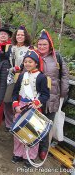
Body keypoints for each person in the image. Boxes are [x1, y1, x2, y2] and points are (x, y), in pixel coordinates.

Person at [11, 49, 50, 167]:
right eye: (26, 62)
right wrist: (15, 105)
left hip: (34, 108)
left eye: (30, 62)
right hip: (21, 106)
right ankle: (18, 153)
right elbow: (15, 92)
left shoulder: (42, 77)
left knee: (32, 133)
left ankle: (30, 157)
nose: (27, 64)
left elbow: (45, 94)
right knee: (18, 132)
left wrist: (37, 102)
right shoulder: (22, 75)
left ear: (36, 63)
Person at [37, 29, 69, 160]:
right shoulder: (33, 55)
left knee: (47, 124)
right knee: (35, 123)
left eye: (44, 44)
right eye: (40, 44)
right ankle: (32, 147)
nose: (42, 47)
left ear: (49, 45)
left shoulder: (57, 58)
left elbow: (65, 76)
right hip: (36, 97)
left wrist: (63, 93)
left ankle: (43, 149)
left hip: (52, 97)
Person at [3, 26, 32, 131]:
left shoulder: (29, 48)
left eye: (22, 35)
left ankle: (18, 123)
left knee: (20, 101)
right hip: (10, 76)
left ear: (25, 36)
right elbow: (5, 61)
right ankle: (9, 123)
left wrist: (21, 69)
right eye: (18, 34)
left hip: (23, 77)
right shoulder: (10, 47)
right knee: (7, 100)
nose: (20, 36)